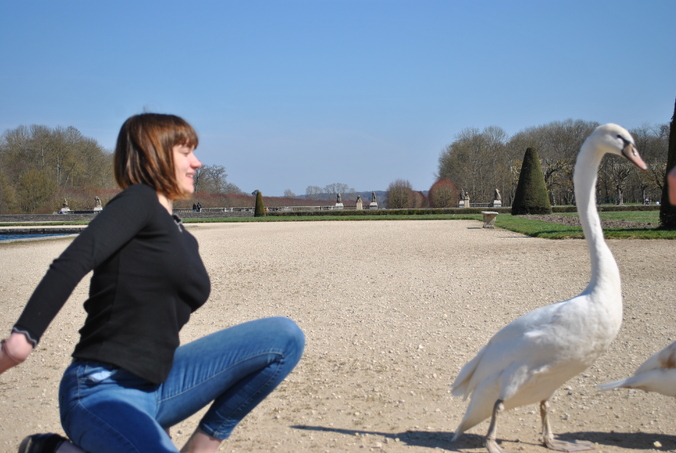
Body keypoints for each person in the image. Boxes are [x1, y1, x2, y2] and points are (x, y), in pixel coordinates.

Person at [0, 113, 305, 453]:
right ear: (154, 154)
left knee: (284, 338)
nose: (197, 162)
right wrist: (21, 341)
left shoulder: (180, 235)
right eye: (186, 152)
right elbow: (74, 260)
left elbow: (157, 323)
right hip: (101, 388)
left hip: (160, 388)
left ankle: (201, 447)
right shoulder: (138, 200)